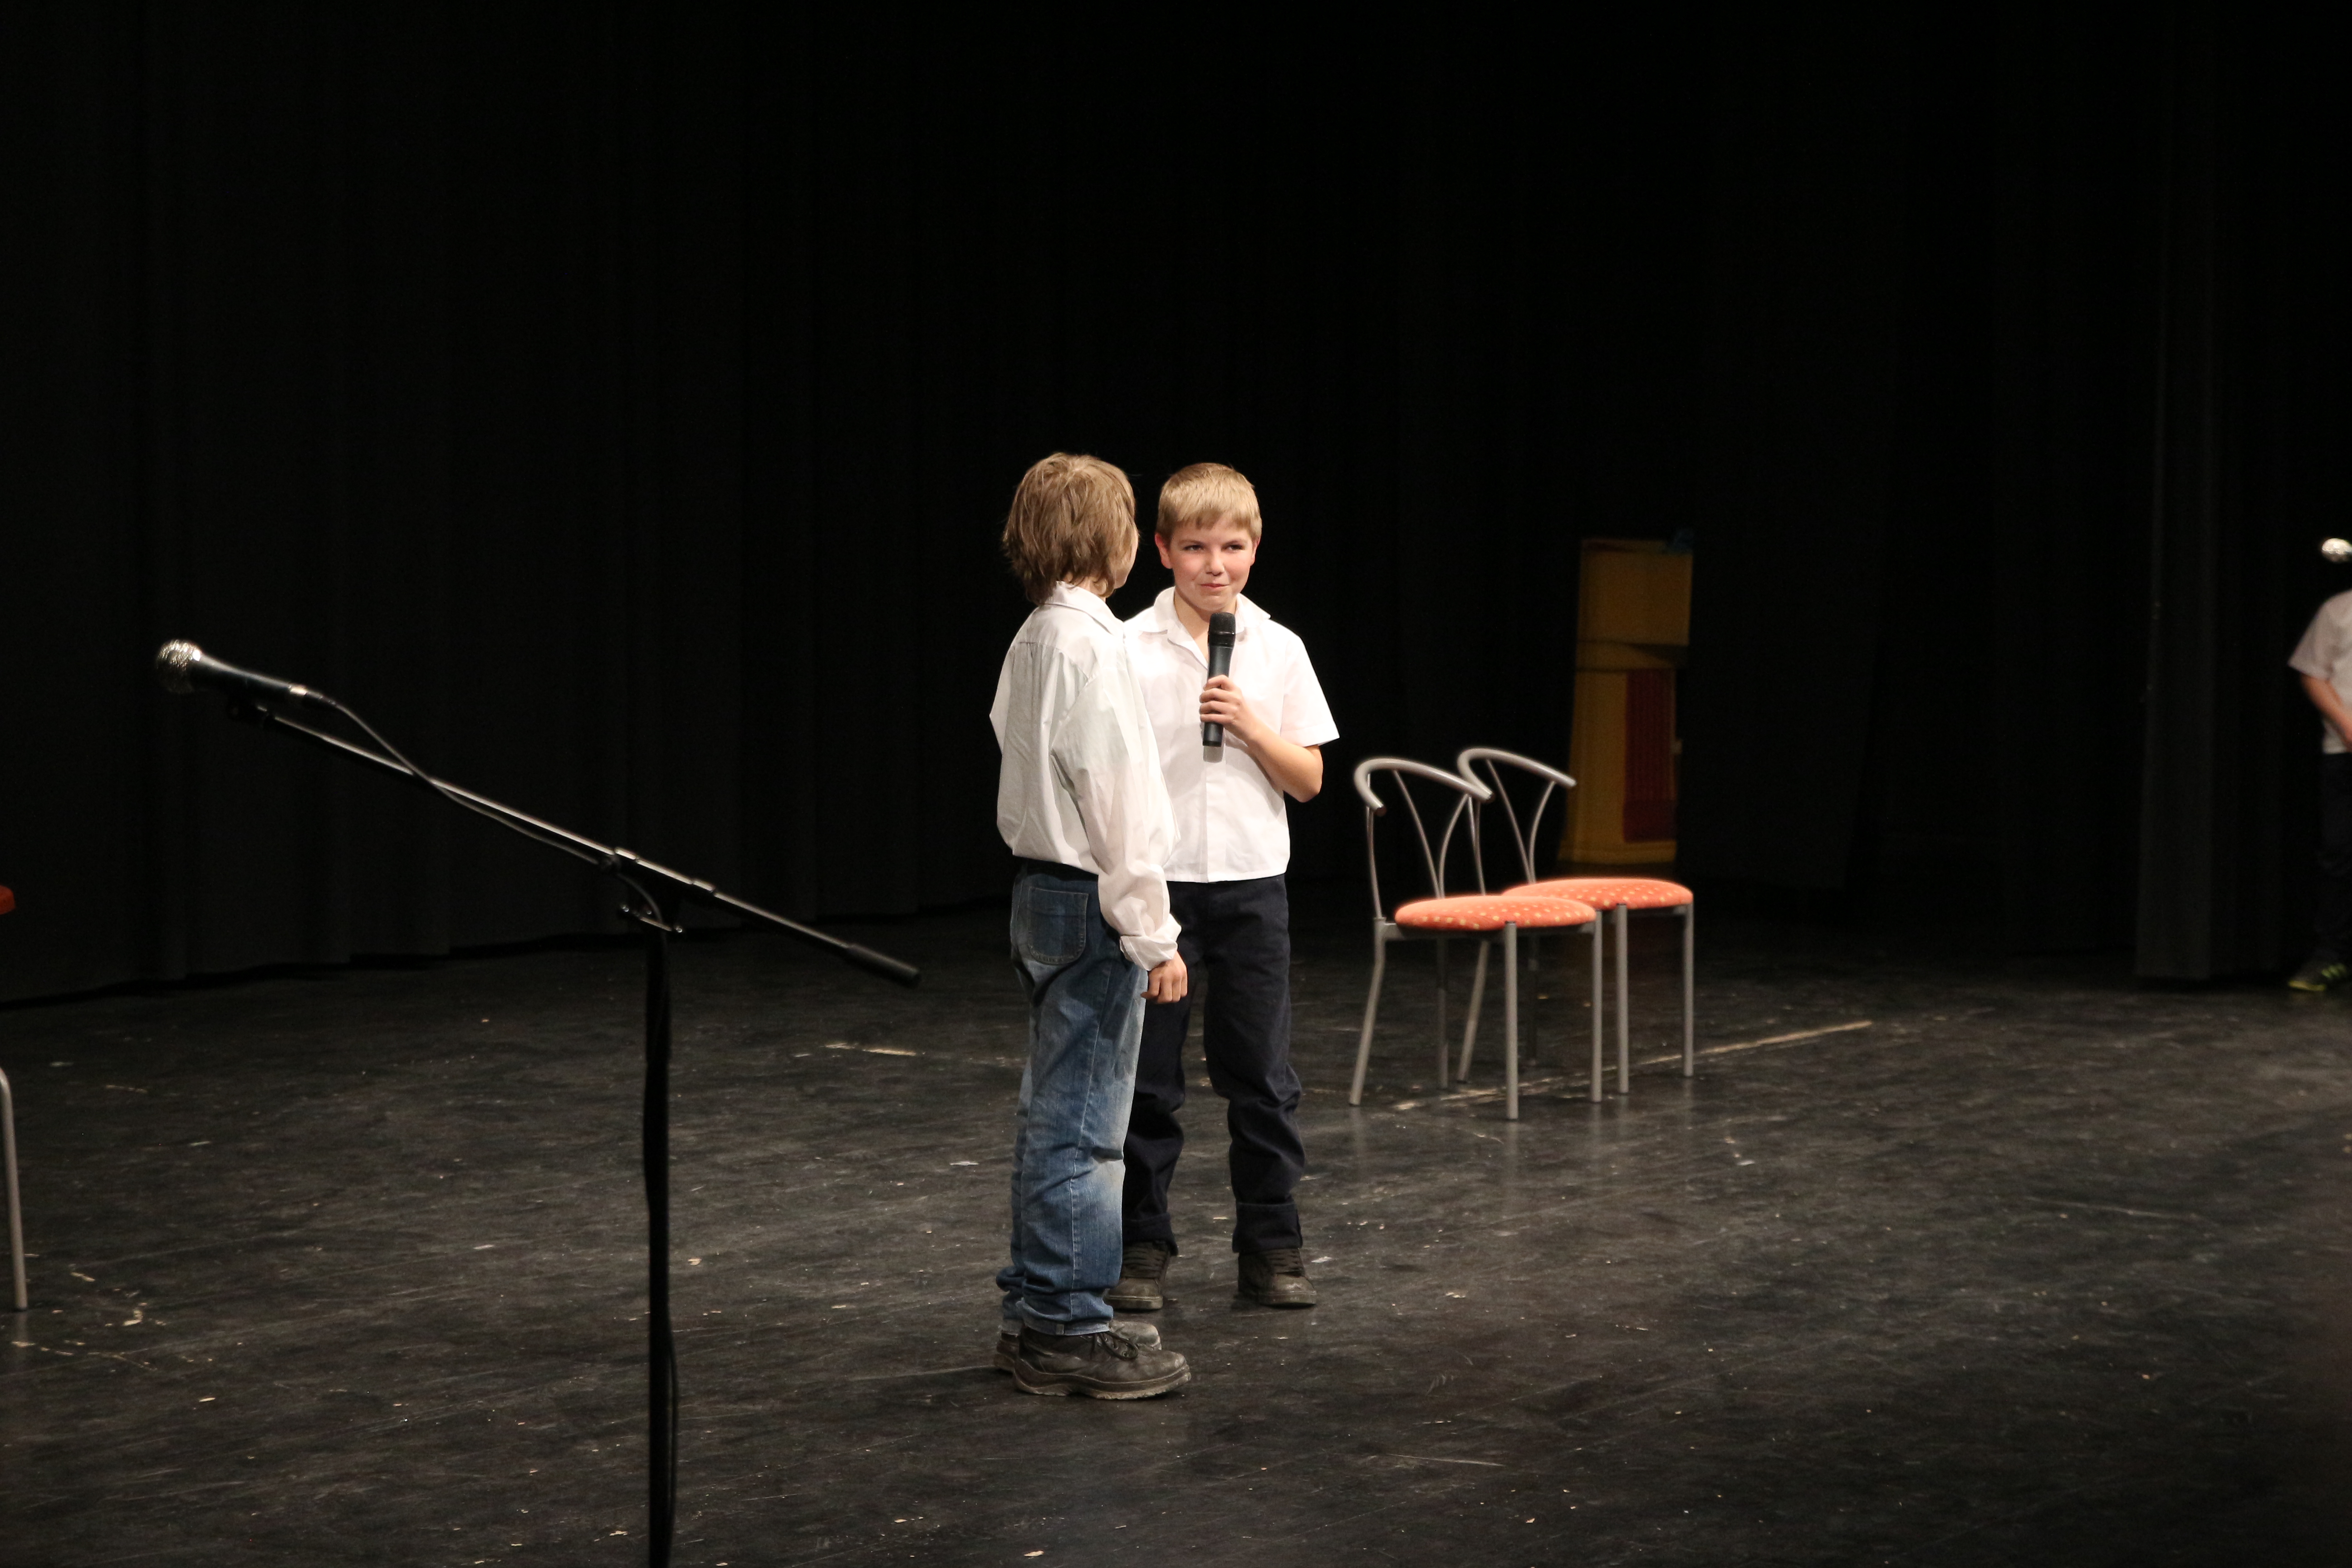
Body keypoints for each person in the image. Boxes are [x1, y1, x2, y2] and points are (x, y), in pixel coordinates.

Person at [987, 452, 1194, 1397]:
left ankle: (1036, 1305)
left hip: (1042, 889)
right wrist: (1153, 932)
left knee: (1052, 1113)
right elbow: (1115, 797)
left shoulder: (1036, 635)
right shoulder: (1091, 644)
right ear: (1115, 539)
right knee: (1083, 1127)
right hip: (1089, 897)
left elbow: (1013, 743)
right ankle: (1066, 1326)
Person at [1108, 463, 1338, 1313]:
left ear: (1254, 549)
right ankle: (1141, 1245)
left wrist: (1250, 726)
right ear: (1163, 550)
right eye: (1197, 547)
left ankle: (1271, 1244)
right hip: (1158, 890)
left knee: (1261, 1076)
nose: (1216, 565)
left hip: (1250, 889)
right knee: (1147, 1082)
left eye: (1232, 547)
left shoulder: (1279, 648)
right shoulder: (1126, 648)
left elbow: (1309, 780)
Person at [2288, 588, 2352, 990]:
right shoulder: (2340, 609)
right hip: (2344, 754)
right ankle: (2332, 955)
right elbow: (2313, 673)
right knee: (2340, 854)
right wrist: (2347, 727)